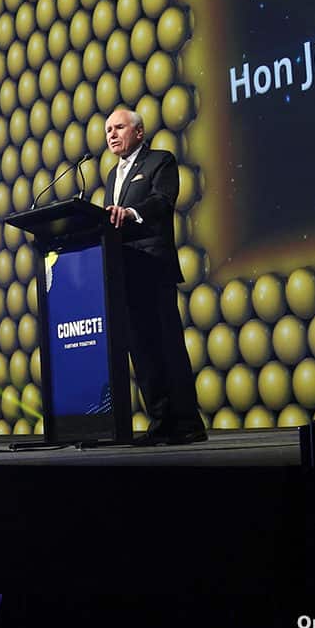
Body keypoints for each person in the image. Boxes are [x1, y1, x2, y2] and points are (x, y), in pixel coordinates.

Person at [104, 109, 207, 445]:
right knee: (142, 352)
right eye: (108, 130)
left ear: (139, 132)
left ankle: (188, 424)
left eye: (119, 127)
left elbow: (162, 202)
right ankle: (161, 423)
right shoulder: (112, 175)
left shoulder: (160, 161)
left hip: (153, 267)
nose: (112, 134)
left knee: (167, 346)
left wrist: (131, 213)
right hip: (124, 273)